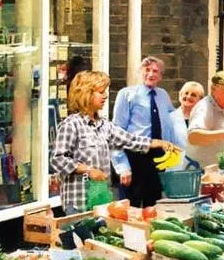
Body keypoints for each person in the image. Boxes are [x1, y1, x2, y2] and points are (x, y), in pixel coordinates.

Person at [51, 71, 176, 213]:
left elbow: (131, 140)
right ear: (85, 94)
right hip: (78, 204)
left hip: (101, 202)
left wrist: (159, 143)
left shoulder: (105, 125)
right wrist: (88, 170)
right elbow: (57, 159)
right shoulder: (71, 125)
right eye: (100, 92)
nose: (105, 96)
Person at [111, 56, 176, 207]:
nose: (151, 74)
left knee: (153, 208)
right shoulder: (126, 94)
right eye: (147, 70)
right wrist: (122, 167)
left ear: (160, 76)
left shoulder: (163, 95)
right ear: (140, 71)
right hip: (134, 158)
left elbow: (173, 122)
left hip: (157, 161)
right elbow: (116, 133)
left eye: (155, 71)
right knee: (129, 210)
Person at [186, 71, 224, 169]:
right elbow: (193, 137)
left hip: (219, 171)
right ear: (213, 89)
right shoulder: (205, 107)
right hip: (200, 171)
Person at [170, 81, 205, 168]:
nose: (188, 96)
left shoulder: (205, 120)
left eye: (193, 95)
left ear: (200, 100)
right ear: (180, 95)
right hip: (174, 168)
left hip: (198, 168)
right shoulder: (169, 118)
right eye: (186, 93)